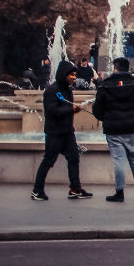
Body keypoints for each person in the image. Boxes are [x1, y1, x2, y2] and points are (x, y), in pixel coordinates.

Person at [92, 57, 134, 202]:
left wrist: (105, 119)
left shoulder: (105, 85)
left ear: (115, 68)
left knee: (119, 161)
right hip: (133, 128)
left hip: (113, 129)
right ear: (128, 68)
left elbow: (97, 109)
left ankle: (119, 193)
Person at [31, 60, 93, 201]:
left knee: (74, 158)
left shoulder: (67, 89)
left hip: (67, 133)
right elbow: (52, 111)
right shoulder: (52, 90)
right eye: (71, 75)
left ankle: (75, 189)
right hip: (55, 133)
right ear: (63, 74)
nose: (74, 77)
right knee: (48, 161)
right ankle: (37, 190)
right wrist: (71, 109)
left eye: (75, 75)